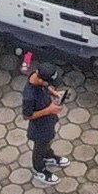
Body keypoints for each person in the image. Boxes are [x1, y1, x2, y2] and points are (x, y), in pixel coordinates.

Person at [19, 52, 68, 183]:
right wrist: (49, 110)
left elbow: (47, 87)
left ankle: (48, 156)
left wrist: (55, 93)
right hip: (39, 129)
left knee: (48, 141)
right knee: (39, 148)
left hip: (48, 121)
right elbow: (26, 116)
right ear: (41, 79)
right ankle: (39, 170)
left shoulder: (38, 77)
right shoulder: (29, 96)